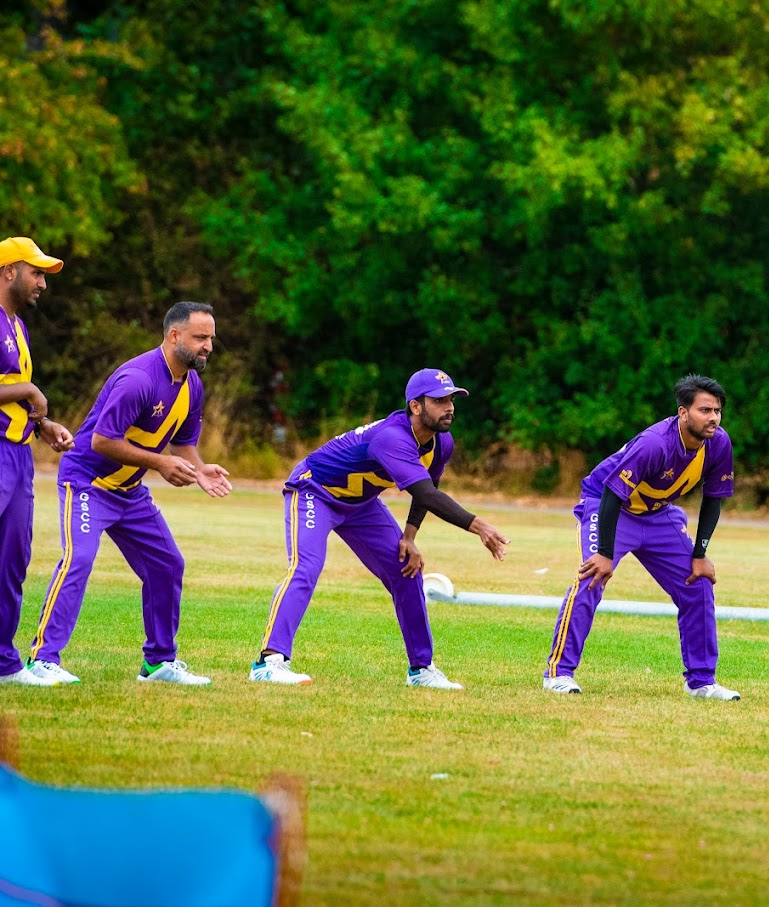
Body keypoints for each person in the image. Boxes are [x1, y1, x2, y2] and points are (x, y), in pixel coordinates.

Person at [249, 368, 509, 689]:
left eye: (452, 400)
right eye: (440, 401)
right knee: (307, 567)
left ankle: (421, 669)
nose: (450, 408)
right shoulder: (392, 438)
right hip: (314, 490)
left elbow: (428, 488)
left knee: (406, 570)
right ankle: (268, 662)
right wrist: (479, 526)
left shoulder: (442, 442)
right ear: (416, 406)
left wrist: (409, 536)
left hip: (361, 504)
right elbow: (428, 495)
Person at [27, 301, 232, 685]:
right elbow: (103, 441)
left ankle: (158, 663)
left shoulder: (192, 385)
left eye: (211, 339)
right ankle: (42, 660)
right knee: (78, 559)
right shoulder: (139, 379)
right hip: (87, 483)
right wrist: (159, 463)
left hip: (130, 492)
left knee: (167, 564)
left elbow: (183, 445)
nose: (208, 346)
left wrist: (200, 469)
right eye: (200, 338)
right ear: (174, 335)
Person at [543, 374, 740, 700]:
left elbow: (714, 498)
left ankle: (702, 682)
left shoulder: (719, 443)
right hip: (608, 505)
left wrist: (700, 554)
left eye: (717, 411)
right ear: (683, 412)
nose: (713, 418)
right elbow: (611, 494)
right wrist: (605, 553)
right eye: (705, 410)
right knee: (592, 577)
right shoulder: (655, 443)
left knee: (698, 582)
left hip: (658, 514)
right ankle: (558, 674)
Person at [0, 238, 74, 687]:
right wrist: (30, 391)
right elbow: (19, 389)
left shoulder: (18, 327)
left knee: (12, 560)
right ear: (9, 271)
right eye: (37, 273)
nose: (43, 283)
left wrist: (41, 424)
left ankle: (5, 664)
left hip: (18, 454)